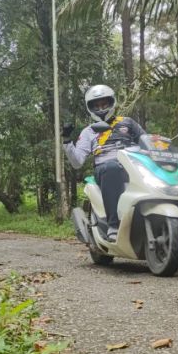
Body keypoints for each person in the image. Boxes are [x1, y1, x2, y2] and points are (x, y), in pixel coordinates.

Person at [62, 84, 145, 241]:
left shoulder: (128, 122)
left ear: (111, 103)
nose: (101, 108)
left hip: (134, 167)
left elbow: (146, 141)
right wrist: (67, 140)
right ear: (90, 108)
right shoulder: (89, 131)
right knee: (112, 167)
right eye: (97, 105)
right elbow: (77, 162)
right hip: (105, 168)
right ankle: (113, 225)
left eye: (104, 104)